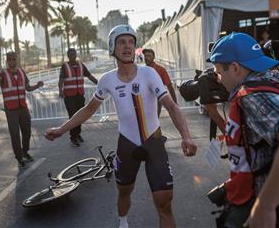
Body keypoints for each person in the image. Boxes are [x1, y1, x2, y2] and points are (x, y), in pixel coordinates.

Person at [45, 25, 197, 228]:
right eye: (122, 42)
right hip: (127, 144)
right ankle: (123, 221)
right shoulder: (107, 79)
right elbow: (88, 110)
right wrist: (62, 129)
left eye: (131, 42)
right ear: (112, 48)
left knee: (164, 202)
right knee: (124, 190)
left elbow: (171, 105)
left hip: (153, 142)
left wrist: (186, 136)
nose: (127, 46)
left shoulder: (149, 74)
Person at [206, 32, 279, 227]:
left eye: (218, 72)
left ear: (235, 68)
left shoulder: (252, 95)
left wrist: (265, 206)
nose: (218, 79)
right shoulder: (276, 79)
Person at [0, 52, 44, 167]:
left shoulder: (21, 72)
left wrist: (37, 85)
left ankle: (24, 151)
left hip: (23, 107)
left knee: (27, 131)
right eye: (9, 59)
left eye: (13, 59)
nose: (11, 61)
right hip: (11, 110)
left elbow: (28, 88)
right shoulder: (3, 73)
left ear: (17, 60)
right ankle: (19, 158)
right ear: (7, 61)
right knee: (15, 134)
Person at [58, 48, 98, 147]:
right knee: (72, 116)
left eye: (74, 53)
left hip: (80, 95)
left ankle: (78, 134)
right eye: (70, 54)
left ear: (76, 54)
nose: (73, 55)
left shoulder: (81, 65)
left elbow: (89, 76)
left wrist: (100, 83)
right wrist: (60, 91)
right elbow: (61, 80)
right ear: (68, 55)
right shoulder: (65, 66)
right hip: (69, 96)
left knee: (80, 116)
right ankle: (73, 137)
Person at [143, 48, 177, 117]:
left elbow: (169, 86)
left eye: (149, 56)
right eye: (145, 56)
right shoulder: (141, 71)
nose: (146, 58)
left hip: (157, 99)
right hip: (145, 99)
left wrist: (175, 103)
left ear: (153, 57)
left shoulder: (161, 70)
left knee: (154, 119)